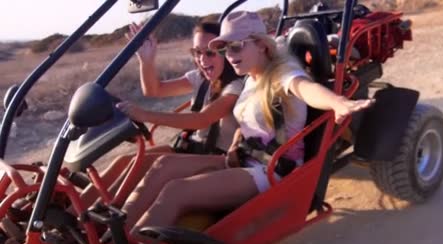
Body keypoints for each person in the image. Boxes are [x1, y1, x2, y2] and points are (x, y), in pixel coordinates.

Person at [119, 11, 374, 232]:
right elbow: (248, 121)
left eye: (235, 46)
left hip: (271, 170)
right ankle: (114, 234)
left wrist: (337, 102)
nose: (228, 55)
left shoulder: (282, 73)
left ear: (261, 45)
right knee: (164, 165)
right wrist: (236, 142)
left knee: (175, 192)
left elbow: (304, 88)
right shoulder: (251, 77)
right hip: (244, 158)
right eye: (223, 48)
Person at [79, 21, 243, 208]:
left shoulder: (235, 86)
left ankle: (106, 215)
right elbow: (154, 90)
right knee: (125, 161)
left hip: (215, 157)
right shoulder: (201, 78)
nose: (202, 60)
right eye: (197, 52)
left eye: (210, 53)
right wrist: (147, 61)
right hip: (191, 149)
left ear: (226, 53)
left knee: (159, 165)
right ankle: (74, 213)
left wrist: (144, 115)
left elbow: (200, 120)